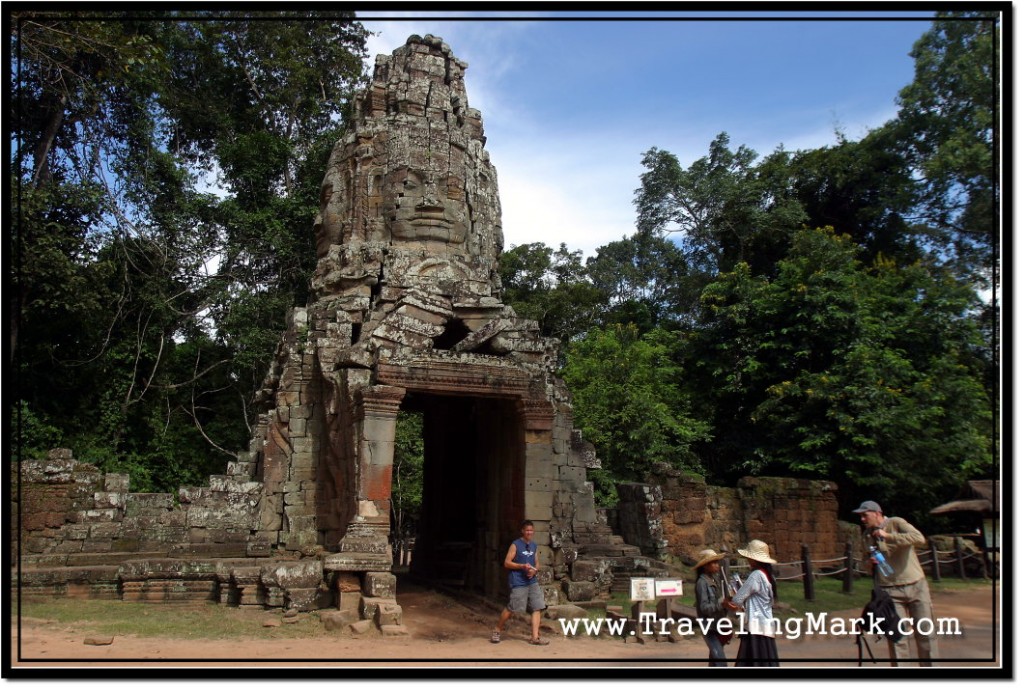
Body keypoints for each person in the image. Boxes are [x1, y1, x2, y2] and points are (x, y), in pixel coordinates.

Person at [854, 500, 937, 666]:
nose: (862, 519)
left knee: (925, 634)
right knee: (896, 636)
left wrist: (888, 536)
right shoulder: (866, 537)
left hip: (915, 585)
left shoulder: (896, 523)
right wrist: (869, 564)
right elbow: (865, 562)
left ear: (877, 513)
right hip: (889, 592)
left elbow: (919, 538)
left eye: (865, 515)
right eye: (860, 516)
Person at [491, 520, 548, 645]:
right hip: (518, 581)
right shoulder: (515, 545)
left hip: (532, 581)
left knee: (537, 607)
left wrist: (534, 570)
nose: (529, 532)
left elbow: (536, 563)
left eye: (531, 530)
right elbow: (507, 563)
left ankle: (534, 637)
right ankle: (497, 630)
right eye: (527, 530)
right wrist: (522, 566)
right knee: (512, 608)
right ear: (522, 531)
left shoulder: (534, 545)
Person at [725, 539, 780, 667]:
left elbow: (738, 599)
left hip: (755, 627)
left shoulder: (756, 575)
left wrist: (728, 600)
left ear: (754, 560)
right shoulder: (768, 576)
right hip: (766, 625)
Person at [693, 548, 730, 667]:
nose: (717, 565)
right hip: (708, 625)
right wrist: (721, 604)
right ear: (705, 566)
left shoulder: (714, 580)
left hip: (717, 623)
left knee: (715, 658)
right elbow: (704, 607)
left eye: (717, 562)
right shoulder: (702, 583)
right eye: (713, 563)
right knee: (720, 659)